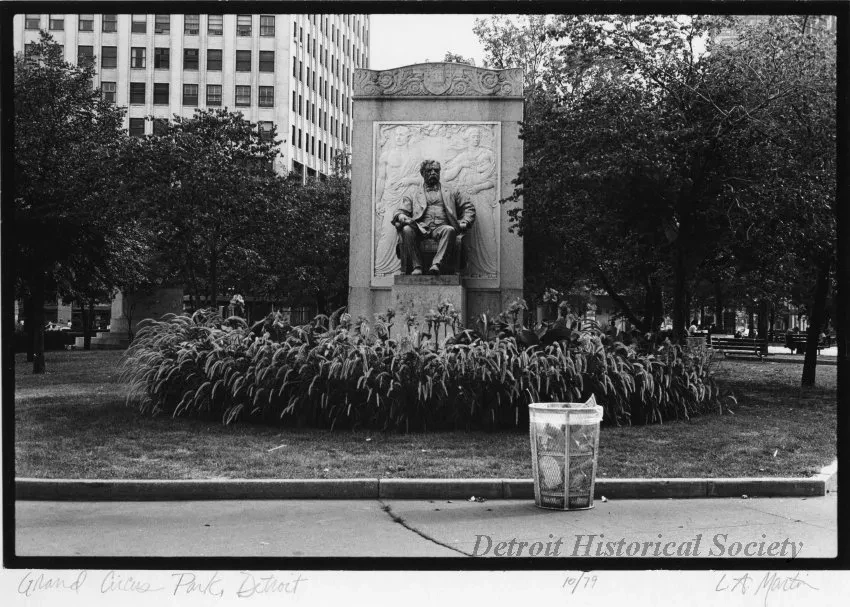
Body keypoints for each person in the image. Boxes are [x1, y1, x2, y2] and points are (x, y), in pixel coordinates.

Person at [393, 160, 476, 275]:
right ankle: (417, 266)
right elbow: (400, 211)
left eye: (436, 170)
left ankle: (436, 265)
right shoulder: (413, 193)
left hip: (442, 227)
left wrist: (465, 221)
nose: (433, 173)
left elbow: (468, 207)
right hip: (421, 228)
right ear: (422, 173)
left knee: (450, 230)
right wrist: (401, 216)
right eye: (429, 171)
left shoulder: (451, 191)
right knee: (407, 230)